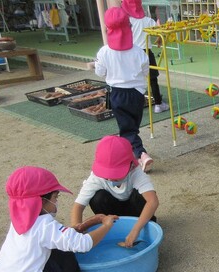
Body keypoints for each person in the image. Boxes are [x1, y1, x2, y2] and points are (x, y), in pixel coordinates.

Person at [0, 166, 118, 272]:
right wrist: (106, 226)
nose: (56, 202)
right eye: (56, 197)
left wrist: (87, 224)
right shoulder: (45, 224)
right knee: (64, 252)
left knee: (57, 246)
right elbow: (83, 244)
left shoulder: (21, 219)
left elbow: (56, 237)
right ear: (41, 201)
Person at [94, 6, 154, 173]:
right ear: (129, 27)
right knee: (132, 127)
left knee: (127, 130)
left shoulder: (104, 52)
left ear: (108, 29)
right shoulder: (138, 51)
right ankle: (135, 153)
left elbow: (100, 72)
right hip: (137, 94)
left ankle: (141, 154)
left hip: (118, 94)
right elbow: (146, 71)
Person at [71, 135, 159, 248]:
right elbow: (78, 206)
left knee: (142, 196)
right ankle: (113, 227)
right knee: (97, 198)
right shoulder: (97, 177)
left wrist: (135, 230)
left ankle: (146, 224)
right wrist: (75, 234)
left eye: (116, 175)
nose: (111, 179)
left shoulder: (136, 172)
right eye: (107, 176)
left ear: (131, 165)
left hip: (136, 212)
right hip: (114, 215)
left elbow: (153, 201)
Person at [120, 0, 170, 115]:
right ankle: (158, 104)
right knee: (153, 79)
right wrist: (158, 40)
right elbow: (159, 34)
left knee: (134, 79)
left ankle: (135, 105)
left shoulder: (127, 22)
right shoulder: (148, 21)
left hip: (131, 53)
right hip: (146, 52)